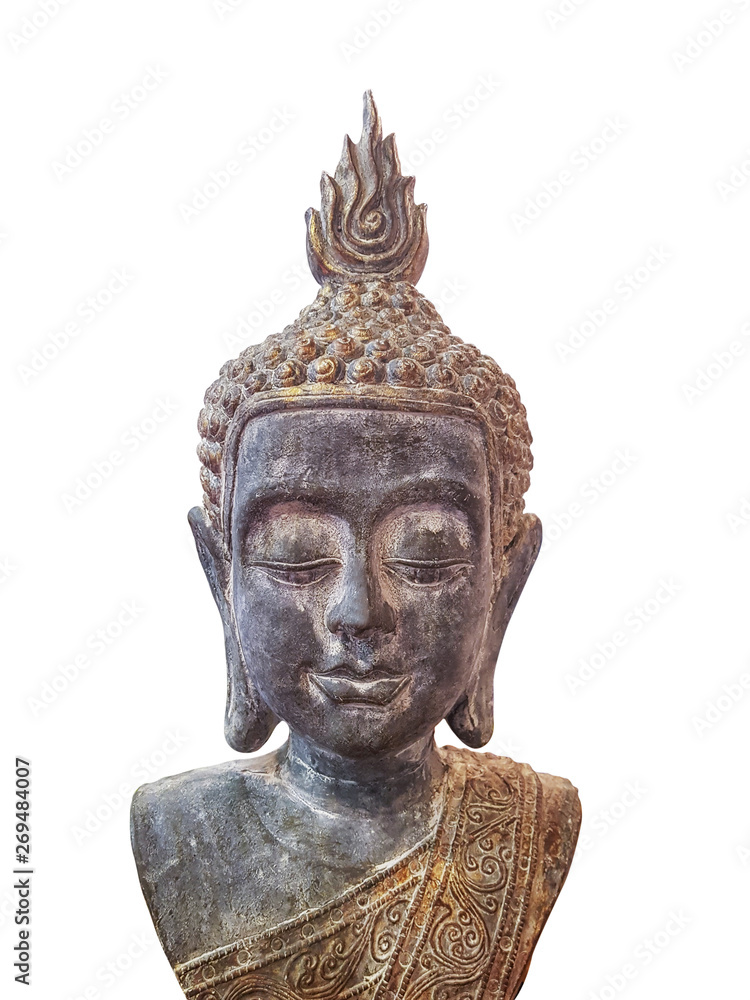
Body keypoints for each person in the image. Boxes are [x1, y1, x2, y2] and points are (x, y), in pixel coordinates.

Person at [131, 92, 581, 1000]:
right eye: (298, 554)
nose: (357, 610)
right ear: (222, 580)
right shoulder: (176, 832)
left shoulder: (534, 823)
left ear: (503, 585)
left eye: (426, 555)